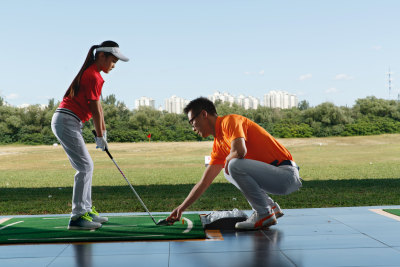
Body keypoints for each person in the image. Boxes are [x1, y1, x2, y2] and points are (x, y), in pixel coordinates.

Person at [167, 97, 302, 230]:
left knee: (233, 165)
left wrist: (227, 161)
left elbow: (240, 151)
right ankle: (269, 207)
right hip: (276, 177)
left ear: (203, 114)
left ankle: (263, 214)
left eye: (192, 122)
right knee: (229, 171)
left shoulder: (229, 121)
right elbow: (204, 182)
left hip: (286, 175)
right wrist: (181, 208)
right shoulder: (218, 145)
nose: (193, 128)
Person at [51, 41, 129, 230]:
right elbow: (94, 110)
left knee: (87, 166)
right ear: (101, 56)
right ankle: (77, 217)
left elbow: (99, 109)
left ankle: (86, 210)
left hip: (70, 121)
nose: (114, 65)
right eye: (113, 61)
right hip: (66, 121)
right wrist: (99, 136)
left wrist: (103, 134)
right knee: (85, 167)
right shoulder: (92, 76)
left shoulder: (95, 76)